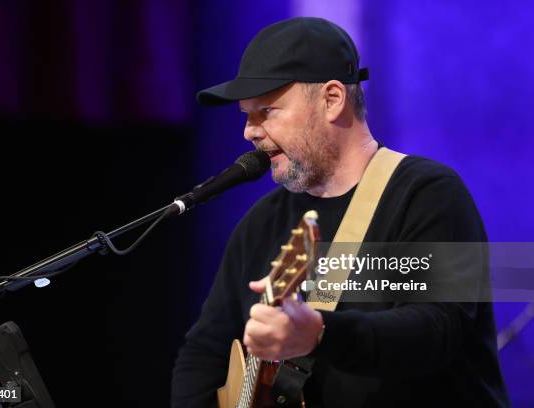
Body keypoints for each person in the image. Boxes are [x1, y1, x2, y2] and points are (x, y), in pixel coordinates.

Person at [172, 17, 509, 407]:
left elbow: (436, 330)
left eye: (266, 110)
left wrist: (319, 333)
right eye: (246, 114)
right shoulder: (262, 221)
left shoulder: (427, 194)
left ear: (332, 99)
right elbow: (204, 352)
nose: (250, 131)